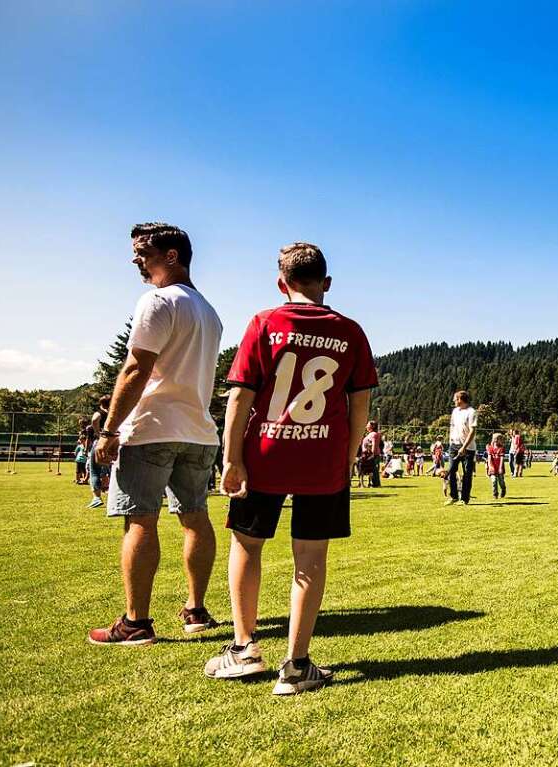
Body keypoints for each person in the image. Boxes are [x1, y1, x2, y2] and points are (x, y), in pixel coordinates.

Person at [211, 242, 376, 695]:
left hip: (264, 453)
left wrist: (230, 458)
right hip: (322, 456)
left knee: (246, 546)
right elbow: (359, 400)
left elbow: (240, 396)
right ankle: (296, 665)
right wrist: (348, 452)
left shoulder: (265, 322)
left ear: (282, 284)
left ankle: (245, 648)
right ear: (326, 284)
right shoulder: (350, 331)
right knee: (311, 558)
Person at [87, 222, 223, 647]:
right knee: (195, 518)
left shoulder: (158, 301)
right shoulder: (209, 311)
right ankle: (196, 610)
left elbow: (135, 368)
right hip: (198, 431)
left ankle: (135, 623)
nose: (135, 260)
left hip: (153, 427)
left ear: (172, 256)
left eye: (143, 252)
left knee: (139, 519)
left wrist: (109, 429)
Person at [445, 391, 477, 506]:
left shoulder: (471, 412)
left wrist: (464, 447)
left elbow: (472, 431)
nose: (454, 401)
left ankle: (464, 498)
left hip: (468, 448)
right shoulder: (454, 412)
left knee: (467, 474)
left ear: (461, 399)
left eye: (455, 399)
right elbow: (452, 427)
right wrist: (451, 443)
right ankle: (453, 496)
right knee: (451, 470)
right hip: (454, 445)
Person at [86, 395, 112, 508]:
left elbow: (94, 419)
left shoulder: (100, 413)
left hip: (101, 442)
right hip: (114, 441)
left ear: (100, 404)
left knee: (94, 470)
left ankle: (96, 497)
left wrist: (97, 432)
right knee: (113, 470)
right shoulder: (114, 413)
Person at [361, 421, 382, 487]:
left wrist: (372, 454)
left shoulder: (373, 434)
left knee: (374, 469)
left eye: (368, 425)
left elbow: (374, 444)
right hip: (367, 454)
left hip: (372, 455)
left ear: (372, 426)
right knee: (372, 469)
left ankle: (376, 484)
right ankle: (373, 483)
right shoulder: (371, 434)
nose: (366, 426)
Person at [486, 433, 507, 499]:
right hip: (493, 468)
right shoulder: (490, 448)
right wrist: (490, 466)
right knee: (494, 480)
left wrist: (500, 468)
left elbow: (502, 459)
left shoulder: (501, 448)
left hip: (499, 468)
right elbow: (489, 458)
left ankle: (503, 489)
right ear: (496, 440)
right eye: (501, 439)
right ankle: (495, 494)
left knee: (501, 482)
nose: (502, 441)